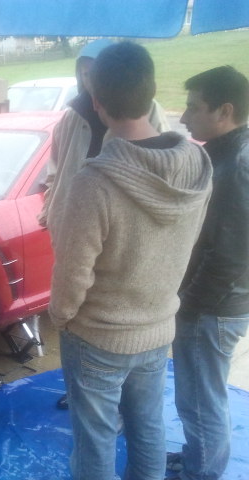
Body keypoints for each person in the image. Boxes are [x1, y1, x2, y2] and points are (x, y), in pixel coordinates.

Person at [48, 42, 212, 480]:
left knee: (95, 440)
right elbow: (190, 240)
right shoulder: (198, 163)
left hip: (97, 335)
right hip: (158, 326)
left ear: (96, 101)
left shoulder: (94, 181)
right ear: (152, 91)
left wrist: (60, 316)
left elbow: (72, 272)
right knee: (148, 427)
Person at [168, 66, 249, 480]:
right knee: (200, 396)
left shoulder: (236, 165)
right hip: (217, 302)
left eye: (194, 108)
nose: (184, 118)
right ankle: (197, 459)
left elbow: (233, 254)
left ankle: (200, 474)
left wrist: (189, 304)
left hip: (213, 307)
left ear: (225, 111)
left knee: (201, 401)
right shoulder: (226, 153)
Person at [39, 38, 171, 240]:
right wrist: (51, 207)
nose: (93, 82)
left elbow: (162, 169)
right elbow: (55, 169)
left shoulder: (149, 111)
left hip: (120, 231)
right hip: (70, 224)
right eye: (86, 74)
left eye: (98, 74)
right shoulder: (72, 116)